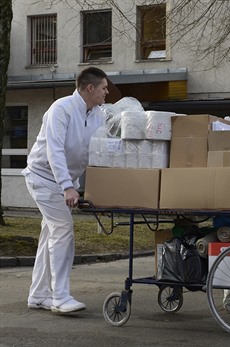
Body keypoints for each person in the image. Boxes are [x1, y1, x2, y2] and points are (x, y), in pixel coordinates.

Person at [22, 67, 109, 313]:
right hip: (43, 177)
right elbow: (55, 150)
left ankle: (38, 295)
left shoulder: (98, 115)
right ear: (90, 88)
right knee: (62, 230)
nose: (107, 91)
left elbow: (95, 152)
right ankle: (60, 297)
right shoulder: (61, 109)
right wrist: (68, 186)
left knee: (50, 235)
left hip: (64, 182)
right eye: (104, 87)